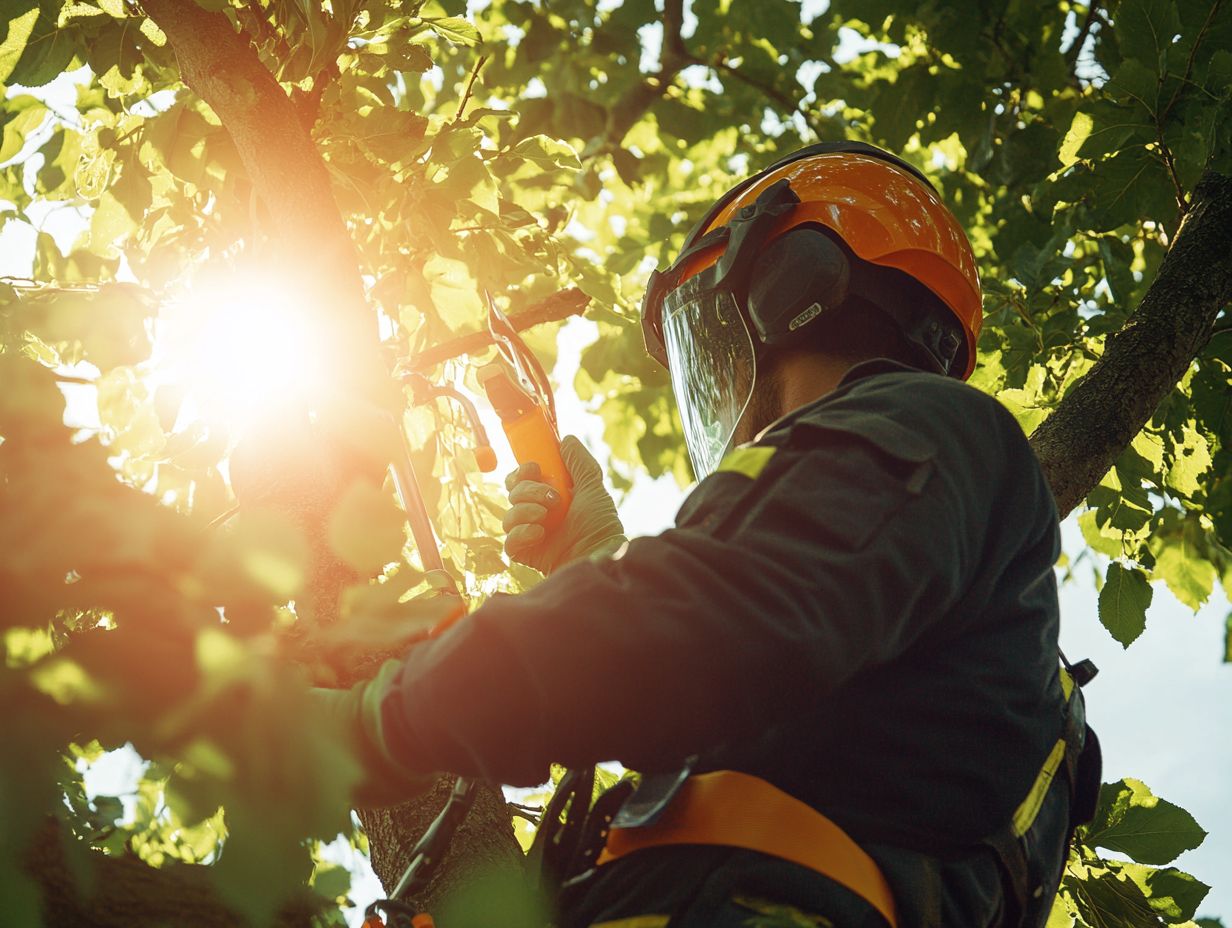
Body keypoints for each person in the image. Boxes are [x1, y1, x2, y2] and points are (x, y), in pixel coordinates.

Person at [318, 142, 1100, 928]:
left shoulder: (929, 420)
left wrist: (377, 723)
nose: (715, 382)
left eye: (711, 340)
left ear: (798, 281)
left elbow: (693, 639)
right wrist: (591, 555)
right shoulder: (902, 614)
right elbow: (718, 707)